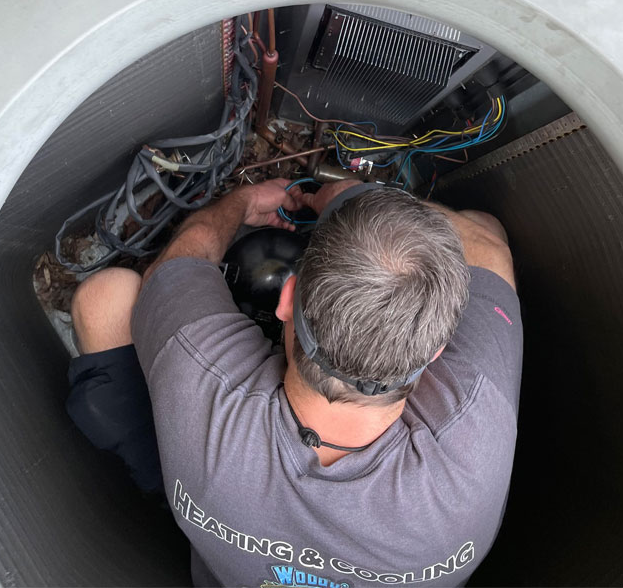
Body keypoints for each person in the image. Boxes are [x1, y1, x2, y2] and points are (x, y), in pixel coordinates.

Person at [67, 177, 522, 587]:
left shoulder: (201, 380)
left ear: (287, 299)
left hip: (211, 496)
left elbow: (183, 258)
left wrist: (246, 201)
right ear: (436, 351)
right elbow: (489, 249)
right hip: (215, 493)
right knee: (480, 223)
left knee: (105, 297)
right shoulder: (473, 436)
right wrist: (372, 203)